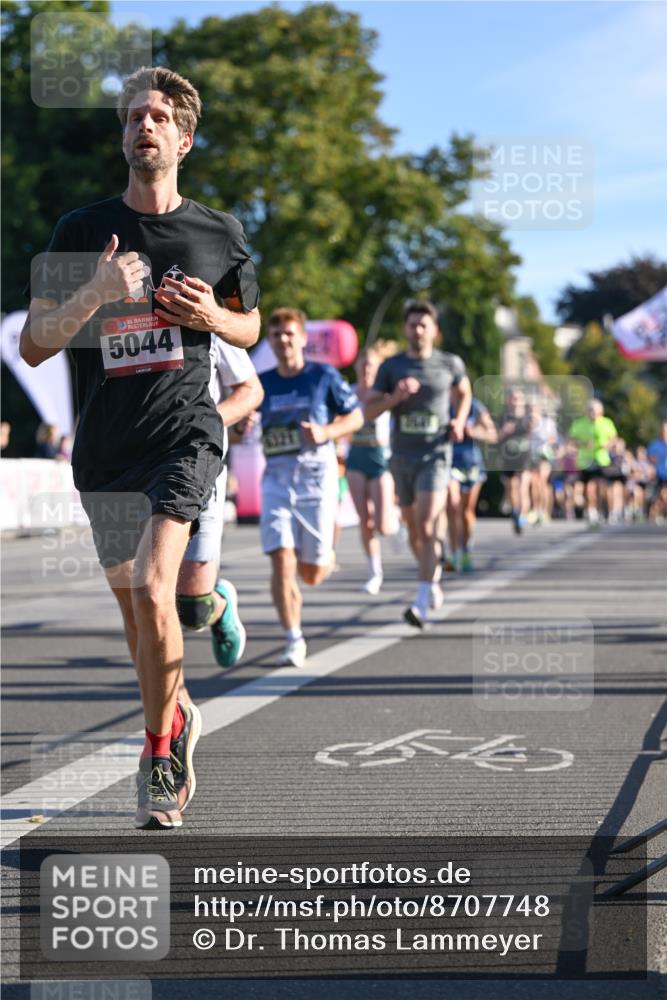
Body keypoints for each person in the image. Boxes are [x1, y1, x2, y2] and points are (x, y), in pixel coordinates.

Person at [20, 67, 260, 830]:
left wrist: (215, 320)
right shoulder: (78, 230)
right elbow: (31, 346)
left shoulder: (217, 232)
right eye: (132, 117)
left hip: (182, 438)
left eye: (158, 117)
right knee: (136, 614)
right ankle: (175, 709)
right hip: (106, 450)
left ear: (183, 138)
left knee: (160, 593)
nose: (142, 126)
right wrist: (93, 292)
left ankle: (160, 748)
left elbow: (247, 326)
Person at [258, 308, 363, 667]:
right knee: (281, 561)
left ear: (303, 338)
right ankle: (293, 638)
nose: (283, 340)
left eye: (289, 333)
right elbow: (242, 428)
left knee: (312, 574)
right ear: (270, 341)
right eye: (276, 335)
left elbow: (357, 416)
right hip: (276, 480)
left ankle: (326, 557)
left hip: (316, 480)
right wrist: (244, 427)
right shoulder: (261, 382)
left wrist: (327, 432)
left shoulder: (323, 376)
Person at [364, 301, 471, 628]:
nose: (418, 330)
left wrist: (460, 420)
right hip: (402, 457)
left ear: (434, 330)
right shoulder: (392, 367)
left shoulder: (449, 363)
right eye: (412, 325)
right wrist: (394, 397)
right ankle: (432, 577)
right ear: (405, 329)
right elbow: (368, 410)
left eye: (424, 325)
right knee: (415, 532)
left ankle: (421, 602)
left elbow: (464, 393)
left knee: (425, 525)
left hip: (435, 455)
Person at [176, 336, 263, 697]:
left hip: (199, 463)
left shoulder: (203, 314)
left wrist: (209, 420)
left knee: (194, 610)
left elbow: (249, 389)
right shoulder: (112, 309)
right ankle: (169, 716)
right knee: (146, 596)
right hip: (133, 468)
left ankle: (220, 602)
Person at [346, 346, 396, 595]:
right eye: (363, 365)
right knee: (364, 521)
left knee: (383, 526)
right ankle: (374, 572)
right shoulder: (349, 393)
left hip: (379, 456)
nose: (366, 370)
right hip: (356, 455)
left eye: (372, 366)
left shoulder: (383, 394)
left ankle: (396, 524)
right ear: (357, 367)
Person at [447, 397, 497, 572]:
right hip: (449, 463)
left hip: (472, 464)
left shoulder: (475, 406)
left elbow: (493, 435)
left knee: (467, 512)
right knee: (453, 508)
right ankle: (453, 554)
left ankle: (466, 550)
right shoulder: (440, 403)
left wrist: (475, 432)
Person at [568, 400, 618, 526]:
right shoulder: (579, 423)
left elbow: (614, 438)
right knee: (589, 488)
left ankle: (609, 511)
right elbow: (571, 440)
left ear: (601, 412)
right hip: (585, 461)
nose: (593, 414)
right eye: (590, 411)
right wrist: (582, 444)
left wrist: (608, 444)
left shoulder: (607, 423)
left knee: (603, 488)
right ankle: (592, 511)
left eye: (595, 412)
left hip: (602, 460)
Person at [496, 388, 532, 534]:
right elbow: (495, 437)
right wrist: (504, 431)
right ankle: (516, 511)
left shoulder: (528, 417)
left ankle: (521, 516)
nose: (516, 401)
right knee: (511, 488)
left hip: (524, 456)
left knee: (523, 487)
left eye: (518, 398)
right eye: (513, 398)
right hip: (508, 457)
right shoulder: (502, 417)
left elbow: (534, 432)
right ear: (508, 400)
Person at [647, 420, 667, 523]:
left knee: (664, 495)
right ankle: (659, 514)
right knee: (662, 495)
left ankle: (662, 514)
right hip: (660, 474)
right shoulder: (654, 444)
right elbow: (650, 458)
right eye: (663, 430)